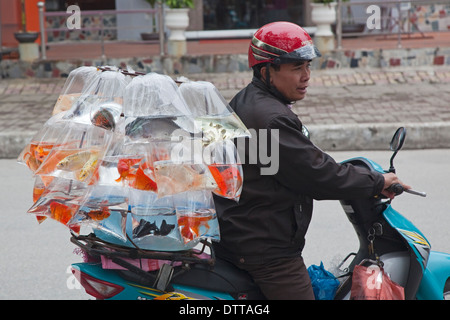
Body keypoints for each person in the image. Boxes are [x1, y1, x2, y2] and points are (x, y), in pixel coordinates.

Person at [212, 21, 410, 300]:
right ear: (267, 70)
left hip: (243, 234)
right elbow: (318, 176)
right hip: (266, 251)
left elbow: (302, 162)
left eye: (308, 67)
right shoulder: (271, 118)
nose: (306, 76)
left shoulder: (249, 100)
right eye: (296, 68)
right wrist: (377, 181)